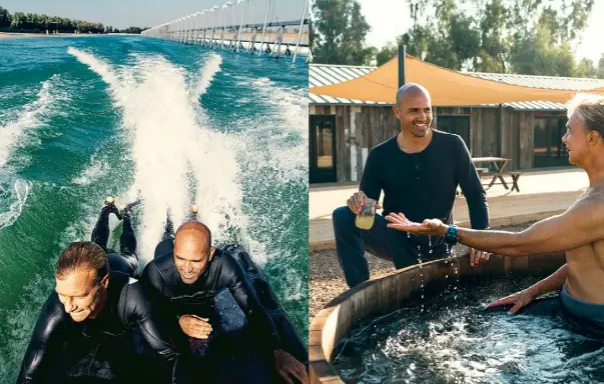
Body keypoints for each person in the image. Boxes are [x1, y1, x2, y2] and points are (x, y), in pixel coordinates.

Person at [385, 93, 604, 339]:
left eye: (569, 131)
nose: (563, 139)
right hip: (570, 310)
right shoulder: (593, 193)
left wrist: (446, 232)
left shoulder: (598, 205)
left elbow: (520, 244)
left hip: (594, 328)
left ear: (592, 138)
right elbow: (583, 260)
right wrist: (532, 291)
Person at [333, 83, 491, 288]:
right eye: (414, 110)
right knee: (342, 216)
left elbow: (476, 195)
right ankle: (358, 289)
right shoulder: (380, 155)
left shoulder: (452, 145)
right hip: (396, 239)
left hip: (438, 238)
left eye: (427, 109)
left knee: (428, 299)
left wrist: (482, 238)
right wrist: (359, 204)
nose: (422, 117)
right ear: (397, 112)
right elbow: (366, 215)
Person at [17, 198, 192, 384]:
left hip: (121, 263)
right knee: (96, 245)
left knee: (129, 252)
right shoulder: (59, 302)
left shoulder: (132, 295)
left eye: (79, 296)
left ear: (105, 282)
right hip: (94, 268)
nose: (68, 307)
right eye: (62, 295)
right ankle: (106, 210)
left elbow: (168, 354)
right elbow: (37, 351)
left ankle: (127, 217)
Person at [141, 208, 308, 384]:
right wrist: (178, 320)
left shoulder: (225, 266)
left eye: (196, 261)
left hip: (204, 304)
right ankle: (169, 221)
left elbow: (253, 309)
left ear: (211, 253)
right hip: (170, 288)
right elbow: (148, 315)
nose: (187, 269)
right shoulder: (155, 272)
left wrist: (278, 351)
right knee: (166, 236)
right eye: (180, 258)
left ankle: (193, 214)